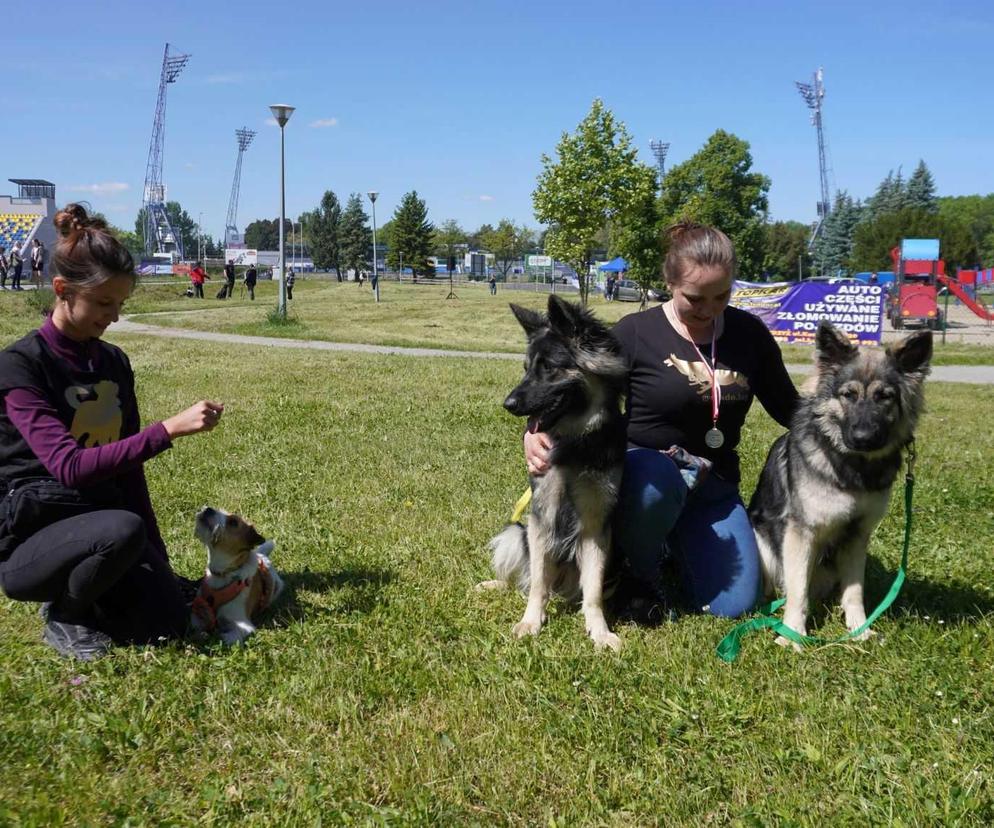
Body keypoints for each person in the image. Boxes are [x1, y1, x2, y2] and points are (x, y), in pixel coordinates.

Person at [524, 222, 799, 621]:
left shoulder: (750, 335)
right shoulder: (636, 333)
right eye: (695, 298)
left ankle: (671, 546)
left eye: (721, 296)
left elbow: (789, 408)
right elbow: (573, 387)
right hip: (645, 478)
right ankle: (637, 575)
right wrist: (534, 429)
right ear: (669, 282)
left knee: (733, 605)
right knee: (657, 479)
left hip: (713, 485)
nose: (709, 310)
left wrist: (847, 422)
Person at [0, 203, 225, 660]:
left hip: (107, 526)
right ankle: (66, 611)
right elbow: (68, 468)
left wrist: (158, 560)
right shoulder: (20, 365)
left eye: (120, 304)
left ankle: (105, 589)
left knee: (167, 624)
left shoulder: (113, 362)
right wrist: (167, 430)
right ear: (62, 290)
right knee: (123, 529)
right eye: (104, 303)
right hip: (31, 536)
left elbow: (128, 468)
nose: (115, 316)